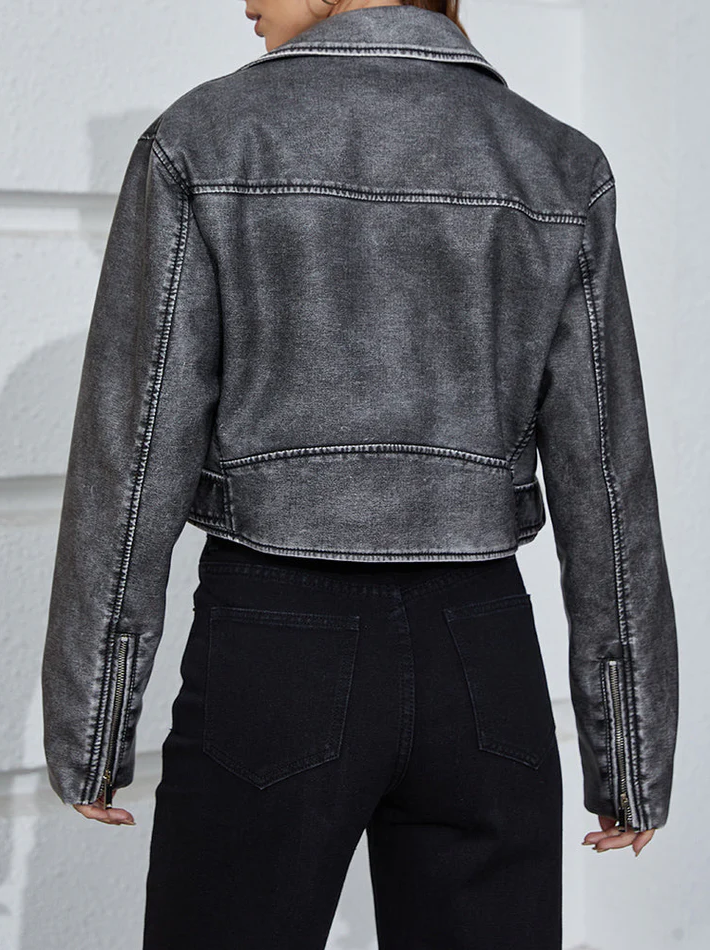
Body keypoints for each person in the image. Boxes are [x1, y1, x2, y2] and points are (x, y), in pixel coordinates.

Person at [40, 0, 679, 947]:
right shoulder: (556, 163)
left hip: (275, 648)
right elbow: (609, 482)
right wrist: (631, 746)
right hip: (484, 658)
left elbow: (131, 459)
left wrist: (92, 722)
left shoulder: (205, 140)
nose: (246, 3)